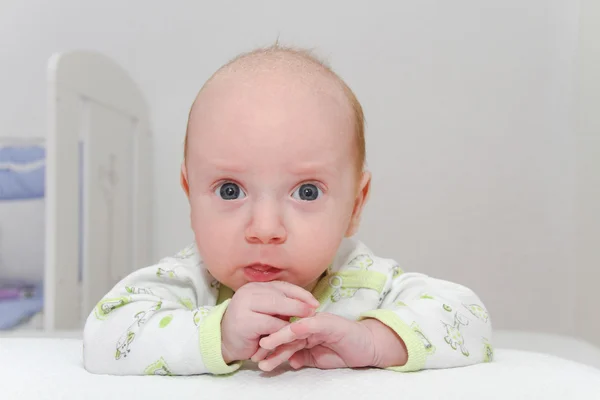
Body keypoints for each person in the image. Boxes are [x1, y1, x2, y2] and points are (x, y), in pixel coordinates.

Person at [83, 44, 492, 376]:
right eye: (230, 190)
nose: (265, 228)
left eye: (308, 192)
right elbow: (103, 338)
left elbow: (469, 320)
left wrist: (371, 340)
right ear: (190, 196)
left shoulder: (364, 281)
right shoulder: (187, 284)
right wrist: (217, 334)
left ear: (355, 205)